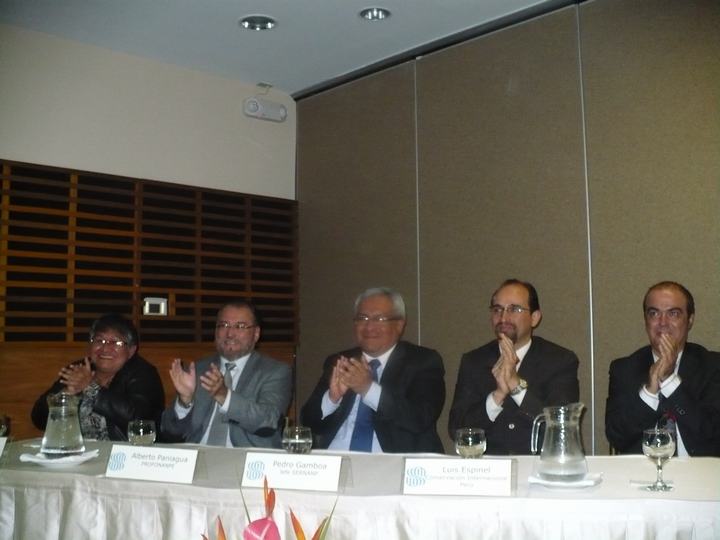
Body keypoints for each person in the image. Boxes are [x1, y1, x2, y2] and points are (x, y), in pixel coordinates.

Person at [301, 287, 446, 453]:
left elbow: (419, 419)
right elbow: (308, 422)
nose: (369, 326)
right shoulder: (341, 361)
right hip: (336, 458)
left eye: (379, 318)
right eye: (363, 318)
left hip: (393, 462)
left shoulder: (423, 361)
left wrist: (368, 389)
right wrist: (332, 398)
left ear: (399, 325)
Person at [448, 279, 580, 454]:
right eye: (497, 309)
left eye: (514, 309)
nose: (503, 318)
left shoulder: (559, 360)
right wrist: (497, 396)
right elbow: (457, 431)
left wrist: (516, 386)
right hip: (489, 465)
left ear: (534, 318)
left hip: (538, 463)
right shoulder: (474, 361)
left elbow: (561, 429)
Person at [606, 281, 720, 456]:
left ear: (690, 320)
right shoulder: (624, 369)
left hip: (698, 469)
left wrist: (669, 381)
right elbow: (617, 437)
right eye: (654, 313)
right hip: (642, 470)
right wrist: (649, 392)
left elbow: (713, 433)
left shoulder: (712, 366)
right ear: (646, 321)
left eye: (673, 313)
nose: (663, 323)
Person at [161, 300, 291, 447]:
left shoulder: (275, 371)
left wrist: (225, 396)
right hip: (198, 455)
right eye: (224, 325)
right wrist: (184, 401)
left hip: (247, 457)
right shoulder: (197, 370)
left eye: (240, 326)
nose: (230, 334)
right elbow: (169, 431)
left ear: (256, 334)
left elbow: (269, 421)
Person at [31, 313, 165, 441]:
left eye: (115, 342)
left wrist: (90, 387)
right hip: (76, 450)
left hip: (122, 452)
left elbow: (139, 421)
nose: (105, 348)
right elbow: (39, 420)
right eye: (99, 340)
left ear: (131, 350)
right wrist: (65, 394)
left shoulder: (143, 373)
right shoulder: (80, 369)